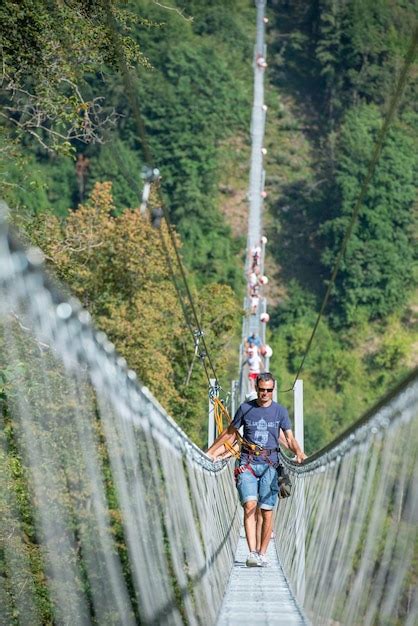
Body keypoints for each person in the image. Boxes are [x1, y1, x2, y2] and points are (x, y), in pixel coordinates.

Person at [207, 373, 306, 567]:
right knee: (250, 506)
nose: (265, 394)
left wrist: (299, 452)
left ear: (273, 389)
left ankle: (262, 553)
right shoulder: (245, 408)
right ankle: (252, 553)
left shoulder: (280, 412)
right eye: (262, 390)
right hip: (247, 462)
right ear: (257, 387)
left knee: (266, 511)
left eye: (269, 390)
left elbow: (289, 438)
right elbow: (230, 434)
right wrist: (210, 452)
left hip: (271, 464)